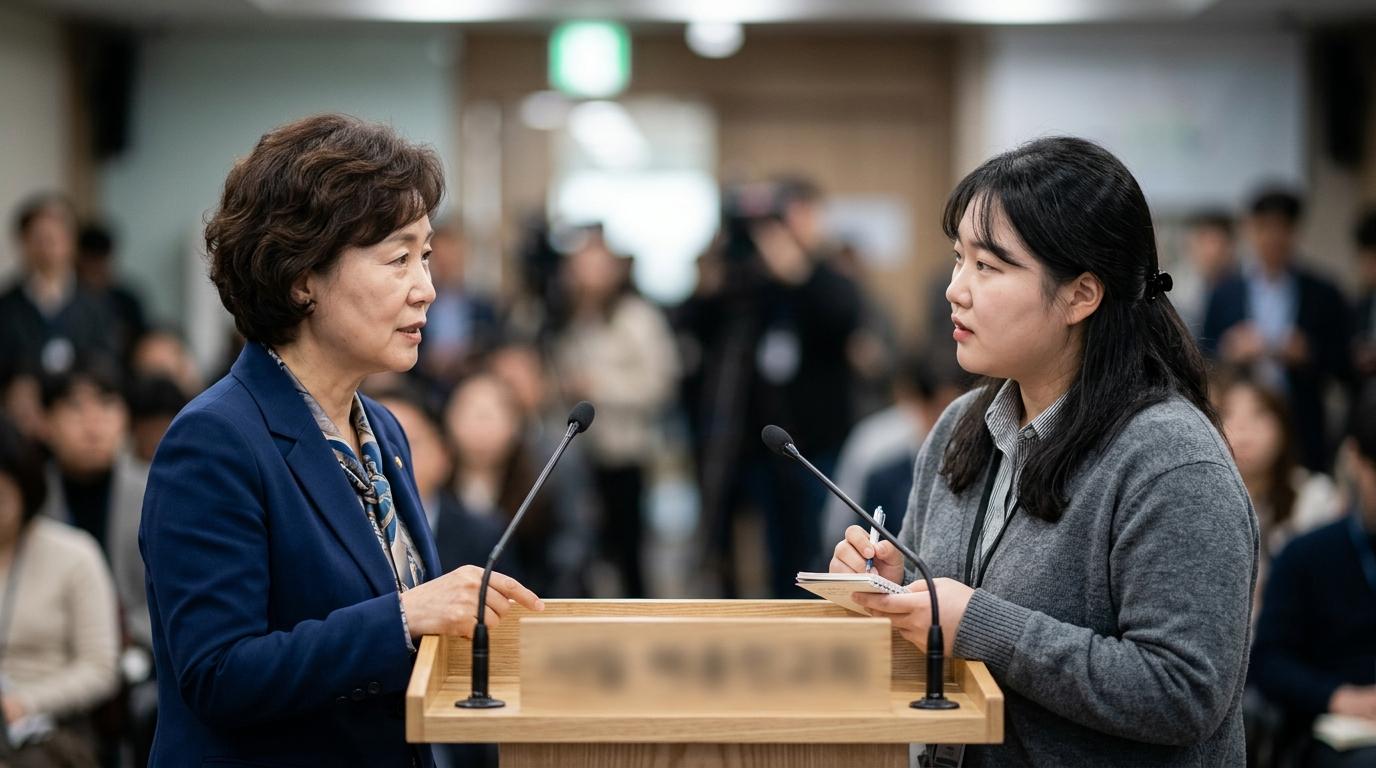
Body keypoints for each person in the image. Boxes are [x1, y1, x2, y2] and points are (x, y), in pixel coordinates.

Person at [828, 137, 1257, 765]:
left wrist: (978, 625)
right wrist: (896, 594)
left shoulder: (1170, 460)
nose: (956, 290)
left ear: (1082, 295)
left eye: (989, 267)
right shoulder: (959, 427)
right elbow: (947, 628)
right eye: (958, 260)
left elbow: (1183, 692)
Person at [139, 114, 542, 766]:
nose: (427, 289)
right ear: (303, 278)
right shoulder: (215, 441)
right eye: (399, 259)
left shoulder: (381, 428)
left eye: (428, 256)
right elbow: (217, 673)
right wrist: (404, 616)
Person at [1249, 388, 1376, 768]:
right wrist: (1340, 697)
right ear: (1354, 459)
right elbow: (1268, 661)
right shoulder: (1308, 555)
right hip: (1337, 734)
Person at [550, 231, 677, 597]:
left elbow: (659, 384)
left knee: (629, 549)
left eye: (596, 265)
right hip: (577, 455)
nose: (587, 275)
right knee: (584, 548)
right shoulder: (569, 319)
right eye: (579, 266)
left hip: (626, 452)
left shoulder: (638, 317)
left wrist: (598, 386)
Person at [1201, 189, 1353, 472]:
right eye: (1263, 227)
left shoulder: (1323, 292)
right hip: (1240, 423)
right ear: (1250, 230)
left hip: (1303, 423)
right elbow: (1200, 358)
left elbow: (1345, 364)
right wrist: (1229, 350)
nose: (1272, 238)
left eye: (1281, 228)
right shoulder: (1225, 291)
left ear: (1294, 231)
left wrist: (1309, 352)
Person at [0, 417, 120, 767]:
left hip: (50, 729)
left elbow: (100, 668)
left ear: (25, 490)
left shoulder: (74, 555)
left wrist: (26, 701)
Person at [1213, 371, 1340, 609]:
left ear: (1282, 425)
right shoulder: (1204, 502)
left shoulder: (1316, 497)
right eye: (1228, 413)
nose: (1242, 428)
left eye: (1258, 413)